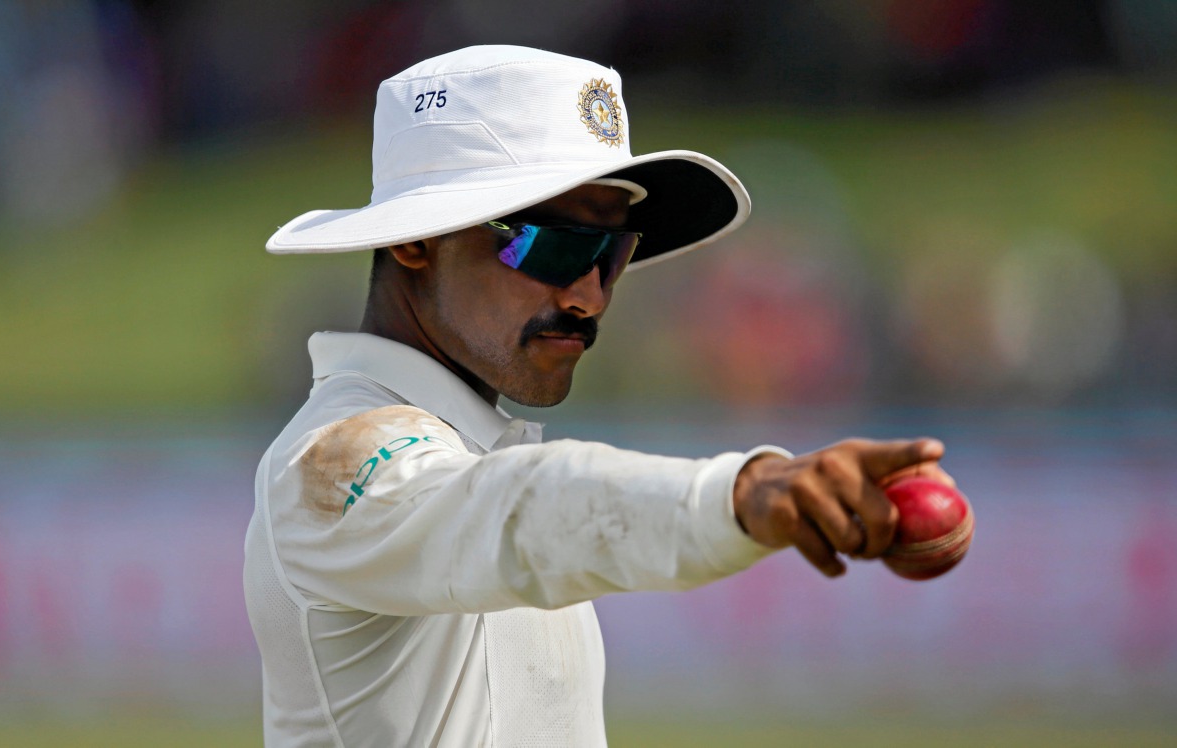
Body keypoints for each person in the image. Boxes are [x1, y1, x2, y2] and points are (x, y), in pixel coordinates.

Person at [244, 45, 953, 747]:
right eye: (552, 245)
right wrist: (739, 492)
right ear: (417, 242)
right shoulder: (331, 466)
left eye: (612, 254)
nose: (587, 294)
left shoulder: (465, 446)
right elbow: (518, 510)